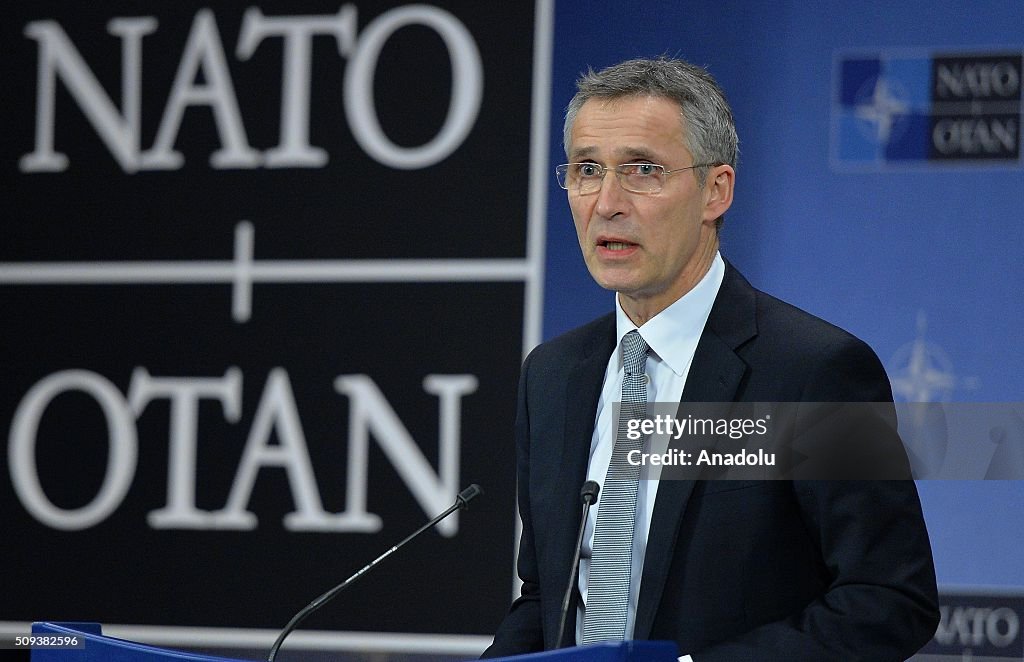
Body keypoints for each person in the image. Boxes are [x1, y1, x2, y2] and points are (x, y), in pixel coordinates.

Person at [482, 57, 939, 661]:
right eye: (587, 170)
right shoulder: (552, 374)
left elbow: (888, 598)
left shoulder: (814, 372)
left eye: (644, 170)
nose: (607, 202)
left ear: (715, 191)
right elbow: (547, 598)